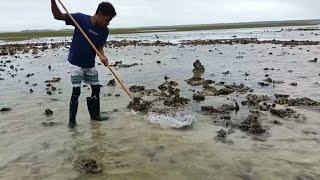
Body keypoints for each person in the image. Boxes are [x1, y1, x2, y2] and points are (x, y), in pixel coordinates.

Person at [51, 0, 116, 129]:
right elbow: (57, 16)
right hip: (76, 63)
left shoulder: (104, 31)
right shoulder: (80, 19)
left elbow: (100, 48)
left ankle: (95, 115)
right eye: (107, 20)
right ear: (100, 14)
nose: (108, 23)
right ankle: (72, 122)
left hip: (90, 64)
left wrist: (103, 57)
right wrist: (53, 1)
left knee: (96, 88)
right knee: (76, 91)